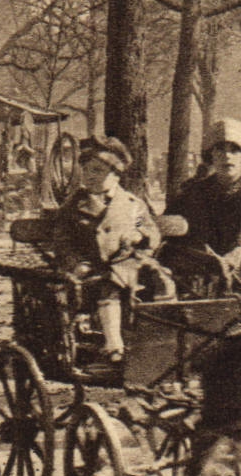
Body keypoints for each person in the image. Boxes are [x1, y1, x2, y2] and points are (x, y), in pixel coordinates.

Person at [50, 136, 164, 372]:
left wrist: (141, 237)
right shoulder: (73, 206)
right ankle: (114, 348)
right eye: (86, 170)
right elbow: (63, 243)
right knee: (109, 286)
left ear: (116, 174)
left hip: (131, 264)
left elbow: (151, 232)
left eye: (97, 171)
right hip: (93, 272)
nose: (89, 176)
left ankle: (161, 345)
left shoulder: (133, 204)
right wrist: (75, 264)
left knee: (163, 280)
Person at [163, 118, 241, 287]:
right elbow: (167, 233)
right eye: (220, 150)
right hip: (195, 282)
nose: (227, 156)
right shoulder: (192, 192)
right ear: (211, 156)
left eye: (234, 151)